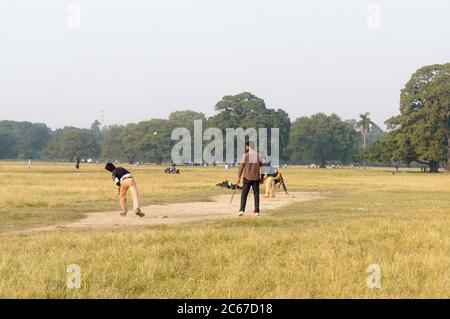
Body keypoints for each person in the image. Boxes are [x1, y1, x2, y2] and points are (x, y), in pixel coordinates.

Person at [235, 142, 263, 216]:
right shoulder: (259, 156)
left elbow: (241, 167)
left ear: (248, 146)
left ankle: (241, 210)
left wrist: (238, 177)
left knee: (244, 194)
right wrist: (262, 178)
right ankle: (256, 211)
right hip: (256, 177)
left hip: (247, 177)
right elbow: (262, 168)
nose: (245, 148)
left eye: (246, 146)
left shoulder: (245, 155)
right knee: (256, 195)